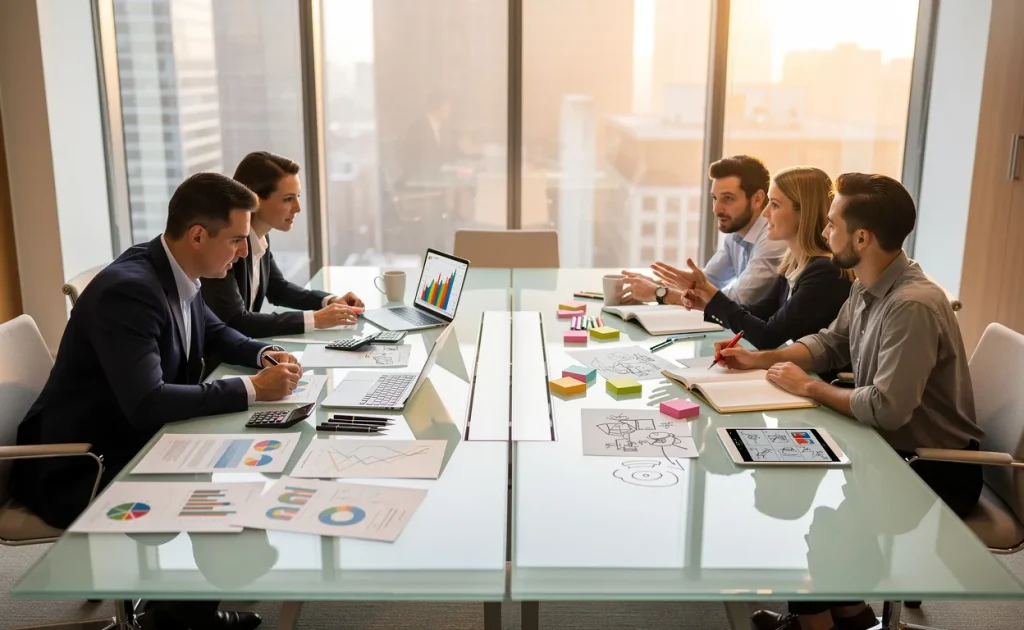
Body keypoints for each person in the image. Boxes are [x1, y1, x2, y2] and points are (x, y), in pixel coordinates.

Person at [11, 173, 304, 630]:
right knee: (218, 496)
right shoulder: (131, 290)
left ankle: (179, 610)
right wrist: (252, 389)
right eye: (237, 240)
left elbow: (214, 331)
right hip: (81, 466)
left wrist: (263, 354)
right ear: (198, 235)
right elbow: (148, 403)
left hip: (129, 440)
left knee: (234, 470)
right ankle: (175, 619)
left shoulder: (173, 267)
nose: (245, 252)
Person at [710, 173, 984, 630]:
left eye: (832, 223)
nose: (823, 232)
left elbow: (886, 408)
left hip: (933, 467)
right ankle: (849, 616)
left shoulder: (911, 305)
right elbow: (830, 344)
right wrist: (761, 360)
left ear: (862, 236)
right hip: (892, 449)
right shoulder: (866, 283)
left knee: (803, 501)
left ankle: (813, 622)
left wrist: (811, 387)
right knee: (802, 491)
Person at [621, 166, 853, 351]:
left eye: (774, 205)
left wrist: (708, 296)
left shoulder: (824, 272)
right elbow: (759, 312)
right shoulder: (793, 262)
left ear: (804, 212)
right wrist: (706, 302)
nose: (765, 213)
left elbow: (768, 335)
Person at [200, 151, 363, 338]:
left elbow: (278, 289)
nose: (298, 208)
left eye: (298, 197)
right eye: (288, 199)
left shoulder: (261, 237)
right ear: (255, 200)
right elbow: (237, 321)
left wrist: (330, 301)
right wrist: (315, 319)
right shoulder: (225, 246)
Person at [645, 155, 788, 304]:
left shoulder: (774, 239)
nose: (716, 209)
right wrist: (657, 285)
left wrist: (659, 293)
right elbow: (708, 282)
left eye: (728, 198)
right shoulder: (735, 234)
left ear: (757, 199)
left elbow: (737, 300)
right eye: (715, 198)